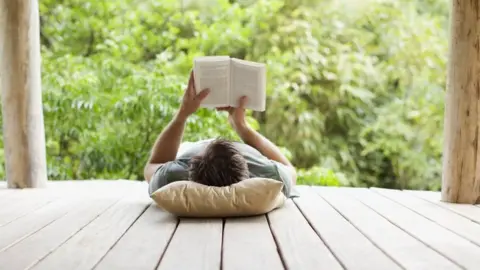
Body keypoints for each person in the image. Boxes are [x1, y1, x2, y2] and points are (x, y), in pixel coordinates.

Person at [144, 71, 297, 197]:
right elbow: (290, 170)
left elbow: (152, 165)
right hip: (238, 153)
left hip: (189, 149)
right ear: (248, 169)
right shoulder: (271, 178)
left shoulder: (172, 177)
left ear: (192, 166)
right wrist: (241, 126)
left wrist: (183, 114)